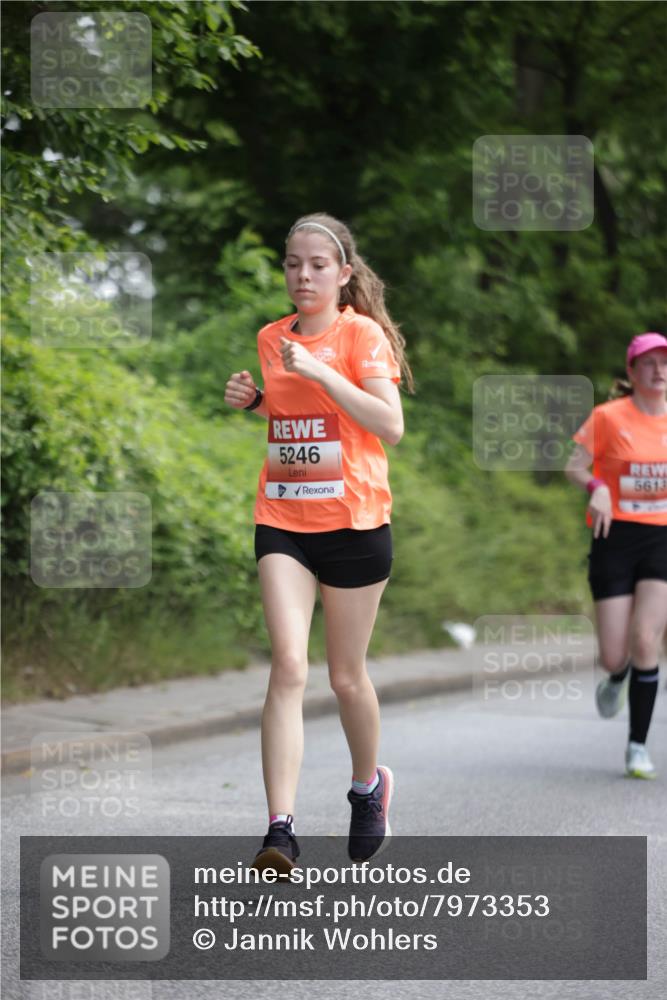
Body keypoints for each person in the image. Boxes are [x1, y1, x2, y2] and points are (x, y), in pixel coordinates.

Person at [224, 213, 413, 871]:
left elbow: (388, 425)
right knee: (287, 665)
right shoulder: (270, 337)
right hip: (283, 518)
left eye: (316, 265)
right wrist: (256, 403)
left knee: (345, 677)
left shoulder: (360, 335)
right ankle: (279, 830)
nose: (302, 276)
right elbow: (298, 420)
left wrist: (320, 372)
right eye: (292, 264)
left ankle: (367, 788)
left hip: (355, 524)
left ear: (343, 274)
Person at [565, 332, 667, 779]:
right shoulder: (608, 417)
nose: (659, 371)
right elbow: (573, 465)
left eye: (665, 363)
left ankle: (637, 747)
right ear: (632, 371)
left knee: (645, 639)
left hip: (661, 537)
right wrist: (597, 486)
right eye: (649, 363)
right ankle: (617, 676)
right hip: (615, 535)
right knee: (613, 655)